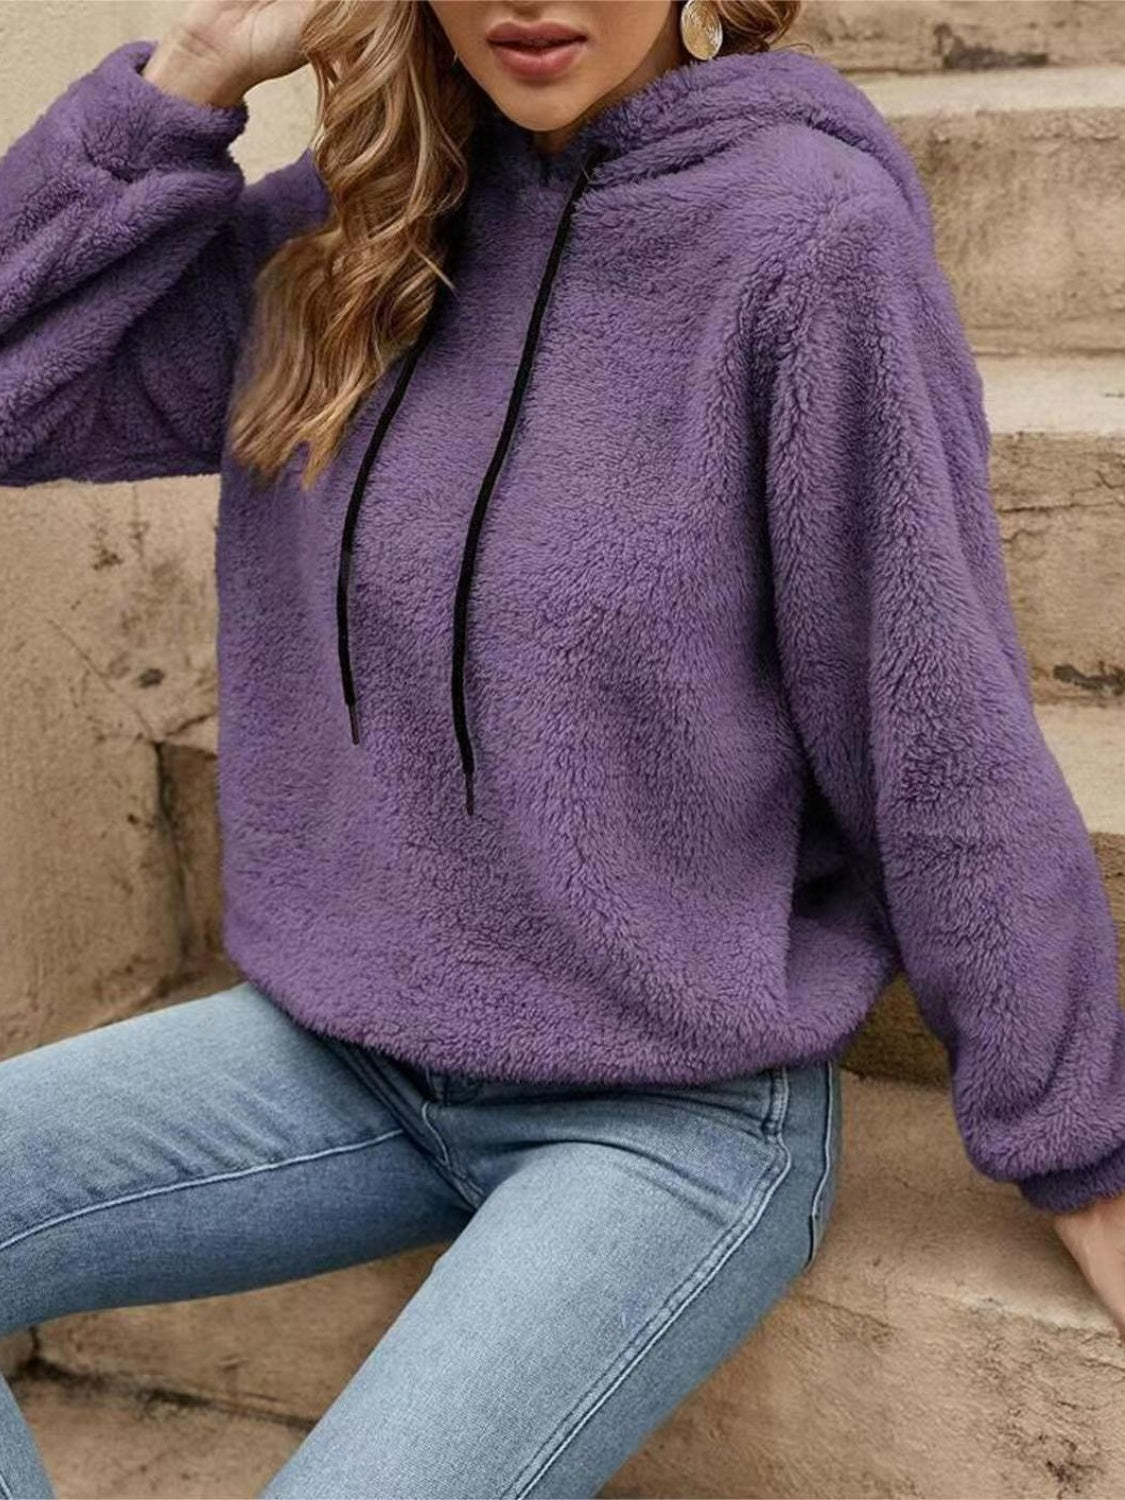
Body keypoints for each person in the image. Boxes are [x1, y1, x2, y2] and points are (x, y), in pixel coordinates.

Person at [0, 0, 1122, 1494]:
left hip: (666, 1113)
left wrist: (1083, 1150)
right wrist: (192, 78)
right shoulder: (352, 227)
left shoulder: (805, 240)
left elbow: (930, 717)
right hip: (342, 1058)